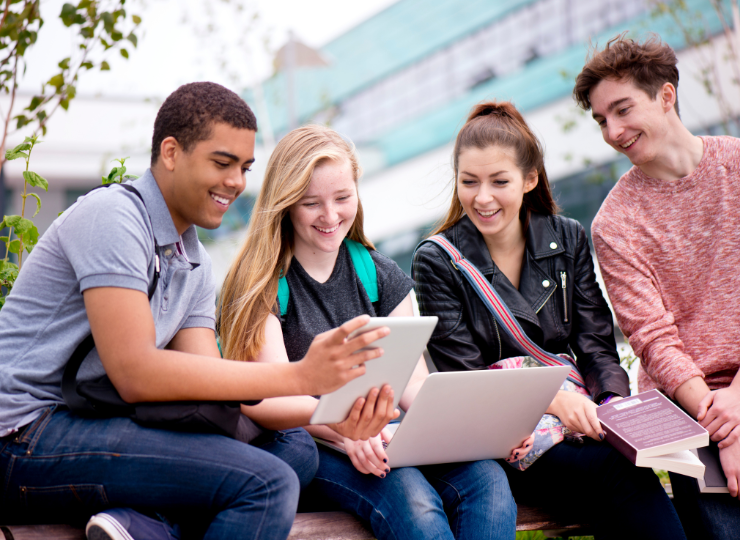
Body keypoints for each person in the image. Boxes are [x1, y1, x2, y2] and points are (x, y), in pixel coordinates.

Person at [0, 82, 394, 540]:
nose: (236, 182)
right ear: (171, 152)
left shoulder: (193, 260)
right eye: (222, 163)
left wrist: (332, 414)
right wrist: (305, 376)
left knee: (294, 450)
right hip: (24, 434)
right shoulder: (113, 217)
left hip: (95, 421)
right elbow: (135, 372)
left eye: (244, 167)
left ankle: (144, 526)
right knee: (267, 483)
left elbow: (212, 386)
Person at [218, 124, 517, 540]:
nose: (330, 216)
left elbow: (412, 380)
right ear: (284, 204)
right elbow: (266, 400)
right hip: (315, 446)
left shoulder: (377, 272)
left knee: (487, 482)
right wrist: (345, 429)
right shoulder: (264, 283)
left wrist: (457, 426)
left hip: (385, 433)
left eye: (342, 198)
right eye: (310, 203)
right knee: (414, 504)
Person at [411, 100, 686, 540]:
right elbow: (464, 378)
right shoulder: (437, 260)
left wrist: (611, 407)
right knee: (619, 476)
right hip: (504, 435)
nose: (482, 198)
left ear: (529, 178)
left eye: (499, 181)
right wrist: (555, 402)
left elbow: (595, 345)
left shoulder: (567, 237)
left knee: (628, 469)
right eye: (469, 182)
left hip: (581, 415)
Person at [574, 34, 740, 538]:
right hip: (691, 413)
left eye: (622, 110)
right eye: (602, 119)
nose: (613, 131)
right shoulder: (614, 224)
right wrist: (723, 427)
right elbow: (653, 340)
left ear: (666, 96)